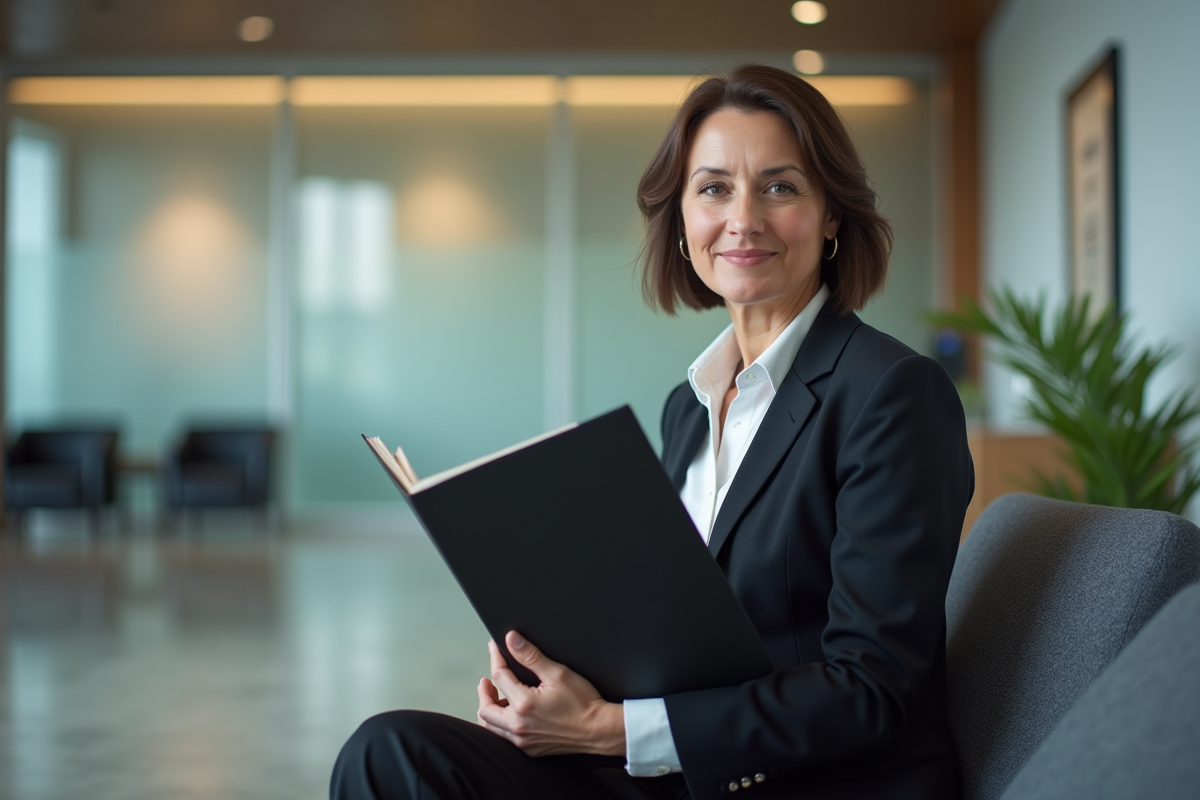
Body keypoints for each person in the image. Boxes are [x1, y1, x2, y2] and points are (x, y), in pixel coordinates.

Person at [331, 63, 973, 800]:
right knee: (389, 752)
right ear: (682, 222)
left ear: (832, 215)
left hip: (812, 782)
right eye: (714, 189)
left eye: (780, 187)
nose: (743, 219)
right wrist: (548, 682)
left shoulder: (892, 394)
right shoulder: (688, 407)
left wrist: (612, 731)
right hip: (680, 773)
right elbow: (673, 633)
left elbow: (872, 688)